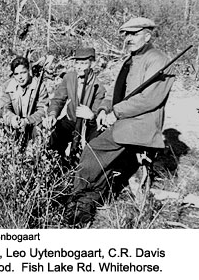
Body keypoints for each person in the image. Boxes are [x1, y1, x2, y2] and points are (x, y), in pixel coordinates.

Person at [66, 17, 175, 225]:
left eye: (134, 34)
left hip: (140, 123)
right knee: (97, 151)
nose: (128, 39)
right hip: (125, 119)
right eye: (126, 34)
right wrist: (104, 109)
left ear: (148, 35)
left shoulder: (158, 60)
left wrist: (115, 113)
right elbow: (119, 94)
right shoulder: (130, 60)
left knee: (93, 151)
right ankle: (87, 202)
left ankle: (78, 203)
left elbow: (148, 99)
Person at [44, 47, 107, 164]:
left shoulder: (98, 87)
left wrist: (91, 115)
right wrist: (52, 114)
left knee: (92, 152)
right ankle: (55, 170)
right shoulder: (69, 78)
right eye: (77, 62)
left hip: (87, 125)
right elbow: (58, 99)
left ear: (92, 64)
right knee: (53, 140)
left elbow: (97, 115)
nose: (78, 66)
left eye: (83, 63)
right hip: (70, 120)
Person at [0, 56, 49, 143]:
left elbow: (43, 110)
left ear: (29, 71)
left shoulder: (39, 85)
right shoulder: (7, 86)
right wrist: (12, 119)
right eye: (16, 74)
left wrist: (28, 121)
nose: (20, 77)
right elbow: (3, 108)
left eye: (23, 72)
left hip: (32, 123)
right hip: (16, 124)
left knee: (41, 128)